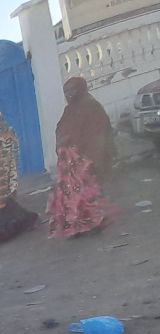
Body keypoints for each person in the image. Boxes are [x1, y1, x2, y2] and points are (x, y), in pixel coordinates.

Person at [47, 76, 117, 237]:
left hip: (86, 157)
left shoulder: (92, 107)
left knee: (89, 192)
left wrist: (93, 156)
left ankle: (96, 222)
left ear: (81, 88)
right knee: (71, 195)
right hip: (69, 161)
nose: (69, 94)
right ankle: (76, 225)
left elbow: (99, 133)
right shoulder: (69, 109)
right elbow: (60, 128)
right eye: (66, 91)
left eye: (72, 90)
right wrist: (62, 144)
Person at [0, 111, 38, 244]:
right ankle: (24, 223)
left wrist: (6, 181)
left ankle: (2, 233)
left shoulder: (6, 136)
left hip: (2, 178)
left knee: (1, 205)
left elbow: (6, 157)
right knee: (3, 206)